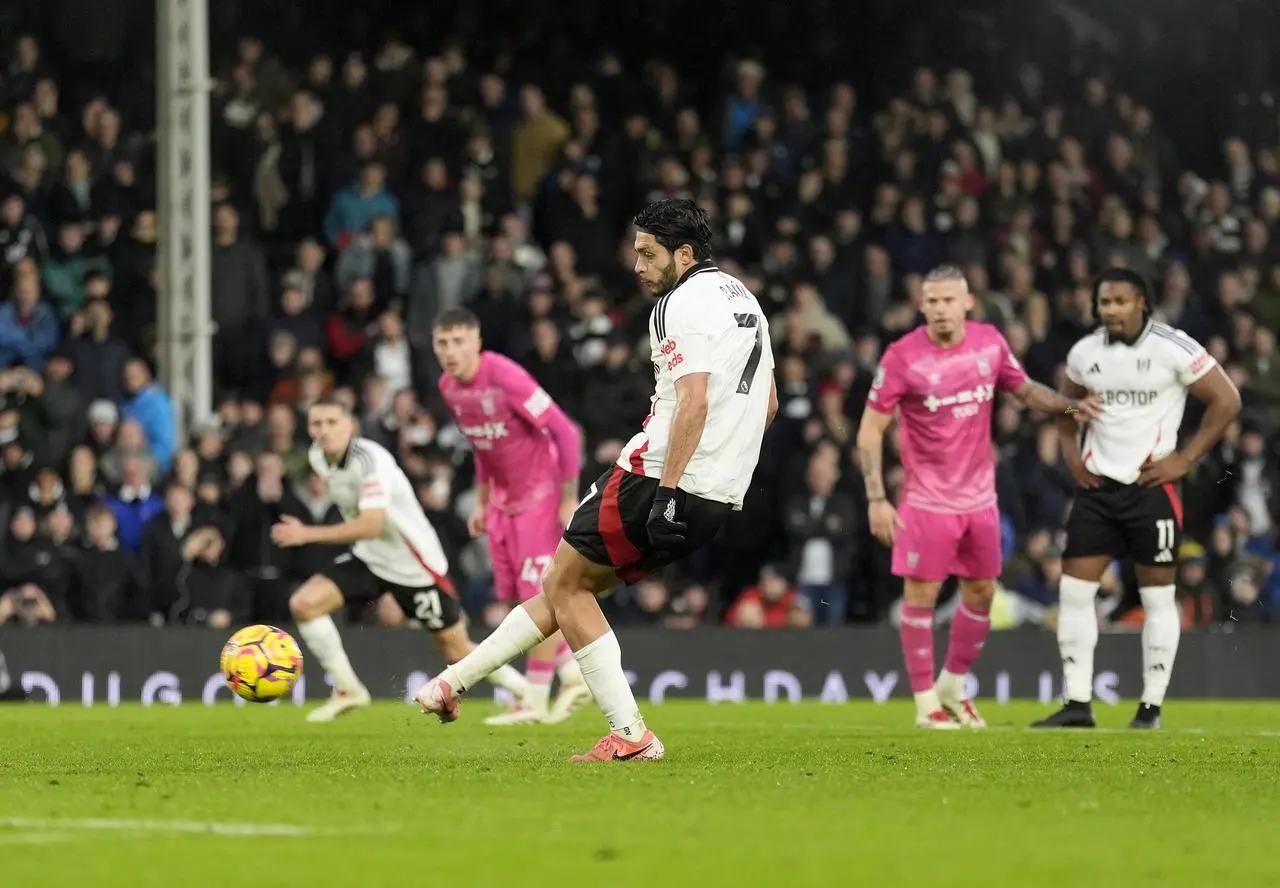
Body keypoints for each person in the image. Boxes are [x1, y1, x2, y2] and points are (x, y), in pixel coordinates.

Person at [415, 198, 778, 762]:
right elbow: (769, 403)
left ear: (683, 255)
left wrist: (667, 492)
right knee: (566, 586)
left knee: (564, 585)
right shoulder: (744, 299)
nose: (637, 265)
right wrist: (725, 472)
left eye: (647, 253)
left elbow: (695, 399)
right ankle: (450, 684)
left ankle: (630, 736)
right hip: (720, 492)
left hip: (659, 478)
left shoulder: (676, 304)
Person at [856, 265, 1101, 729]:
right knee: (922, 597)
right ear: (921, 305)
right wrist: (875, 497)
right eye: (932, 301)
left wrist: (1070, 405)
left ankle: (953, 684)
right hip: (927, 502)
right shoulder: (902, 357)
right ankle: (926, 702)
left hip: (980, 501)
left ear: (968, 302)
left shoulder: (989, 343)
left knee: (984, 592)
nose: (940, 309)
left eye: (949, 300)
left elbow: (1024, 390)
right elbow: (870, 431)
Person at [1033, 268, 1240, 730]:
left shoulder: (1173, 347)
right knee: (1073, 592)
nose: (1110, 310)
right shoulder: (1085, 353)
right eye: (1104, 303)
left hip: (1152, 488)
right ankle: (1078, 705)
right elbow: (1065, 405)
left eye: (1119, 302)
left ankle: (1150, 708)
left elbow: (1227, 400)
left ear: (1141, 302)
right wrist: (1071, 456)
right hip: (1098, 489)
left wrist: (1184, 459)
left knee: (1157, 598)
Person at [272, 396, 531, 722]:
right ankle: (347, 689)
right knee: (304, 604)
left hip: (413, 565)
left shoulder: (370, 460)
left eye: (332, 423)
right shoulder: (317, 457)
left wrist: (307, 534)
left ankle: (526, 694)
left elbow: (371, 524)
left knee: (455, 648)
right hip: (371, 557)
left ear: (351, 425)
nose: (324, 431)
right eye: (317, 424)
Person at [434, 306, 592, 726]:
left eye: (458, 341)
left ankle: (535, 699)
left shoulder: (507, 376)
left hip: (540, 496)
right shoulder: (448, 387)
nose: (450, 351)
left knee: (539, 596)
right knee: (513, 601)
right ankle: (570, 674)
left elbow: (564, 431)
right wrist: (484, 502)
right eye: (442, 343)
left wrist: (567, 497)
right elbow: (482, 447)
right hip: (503, 503)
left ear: (476, 341)